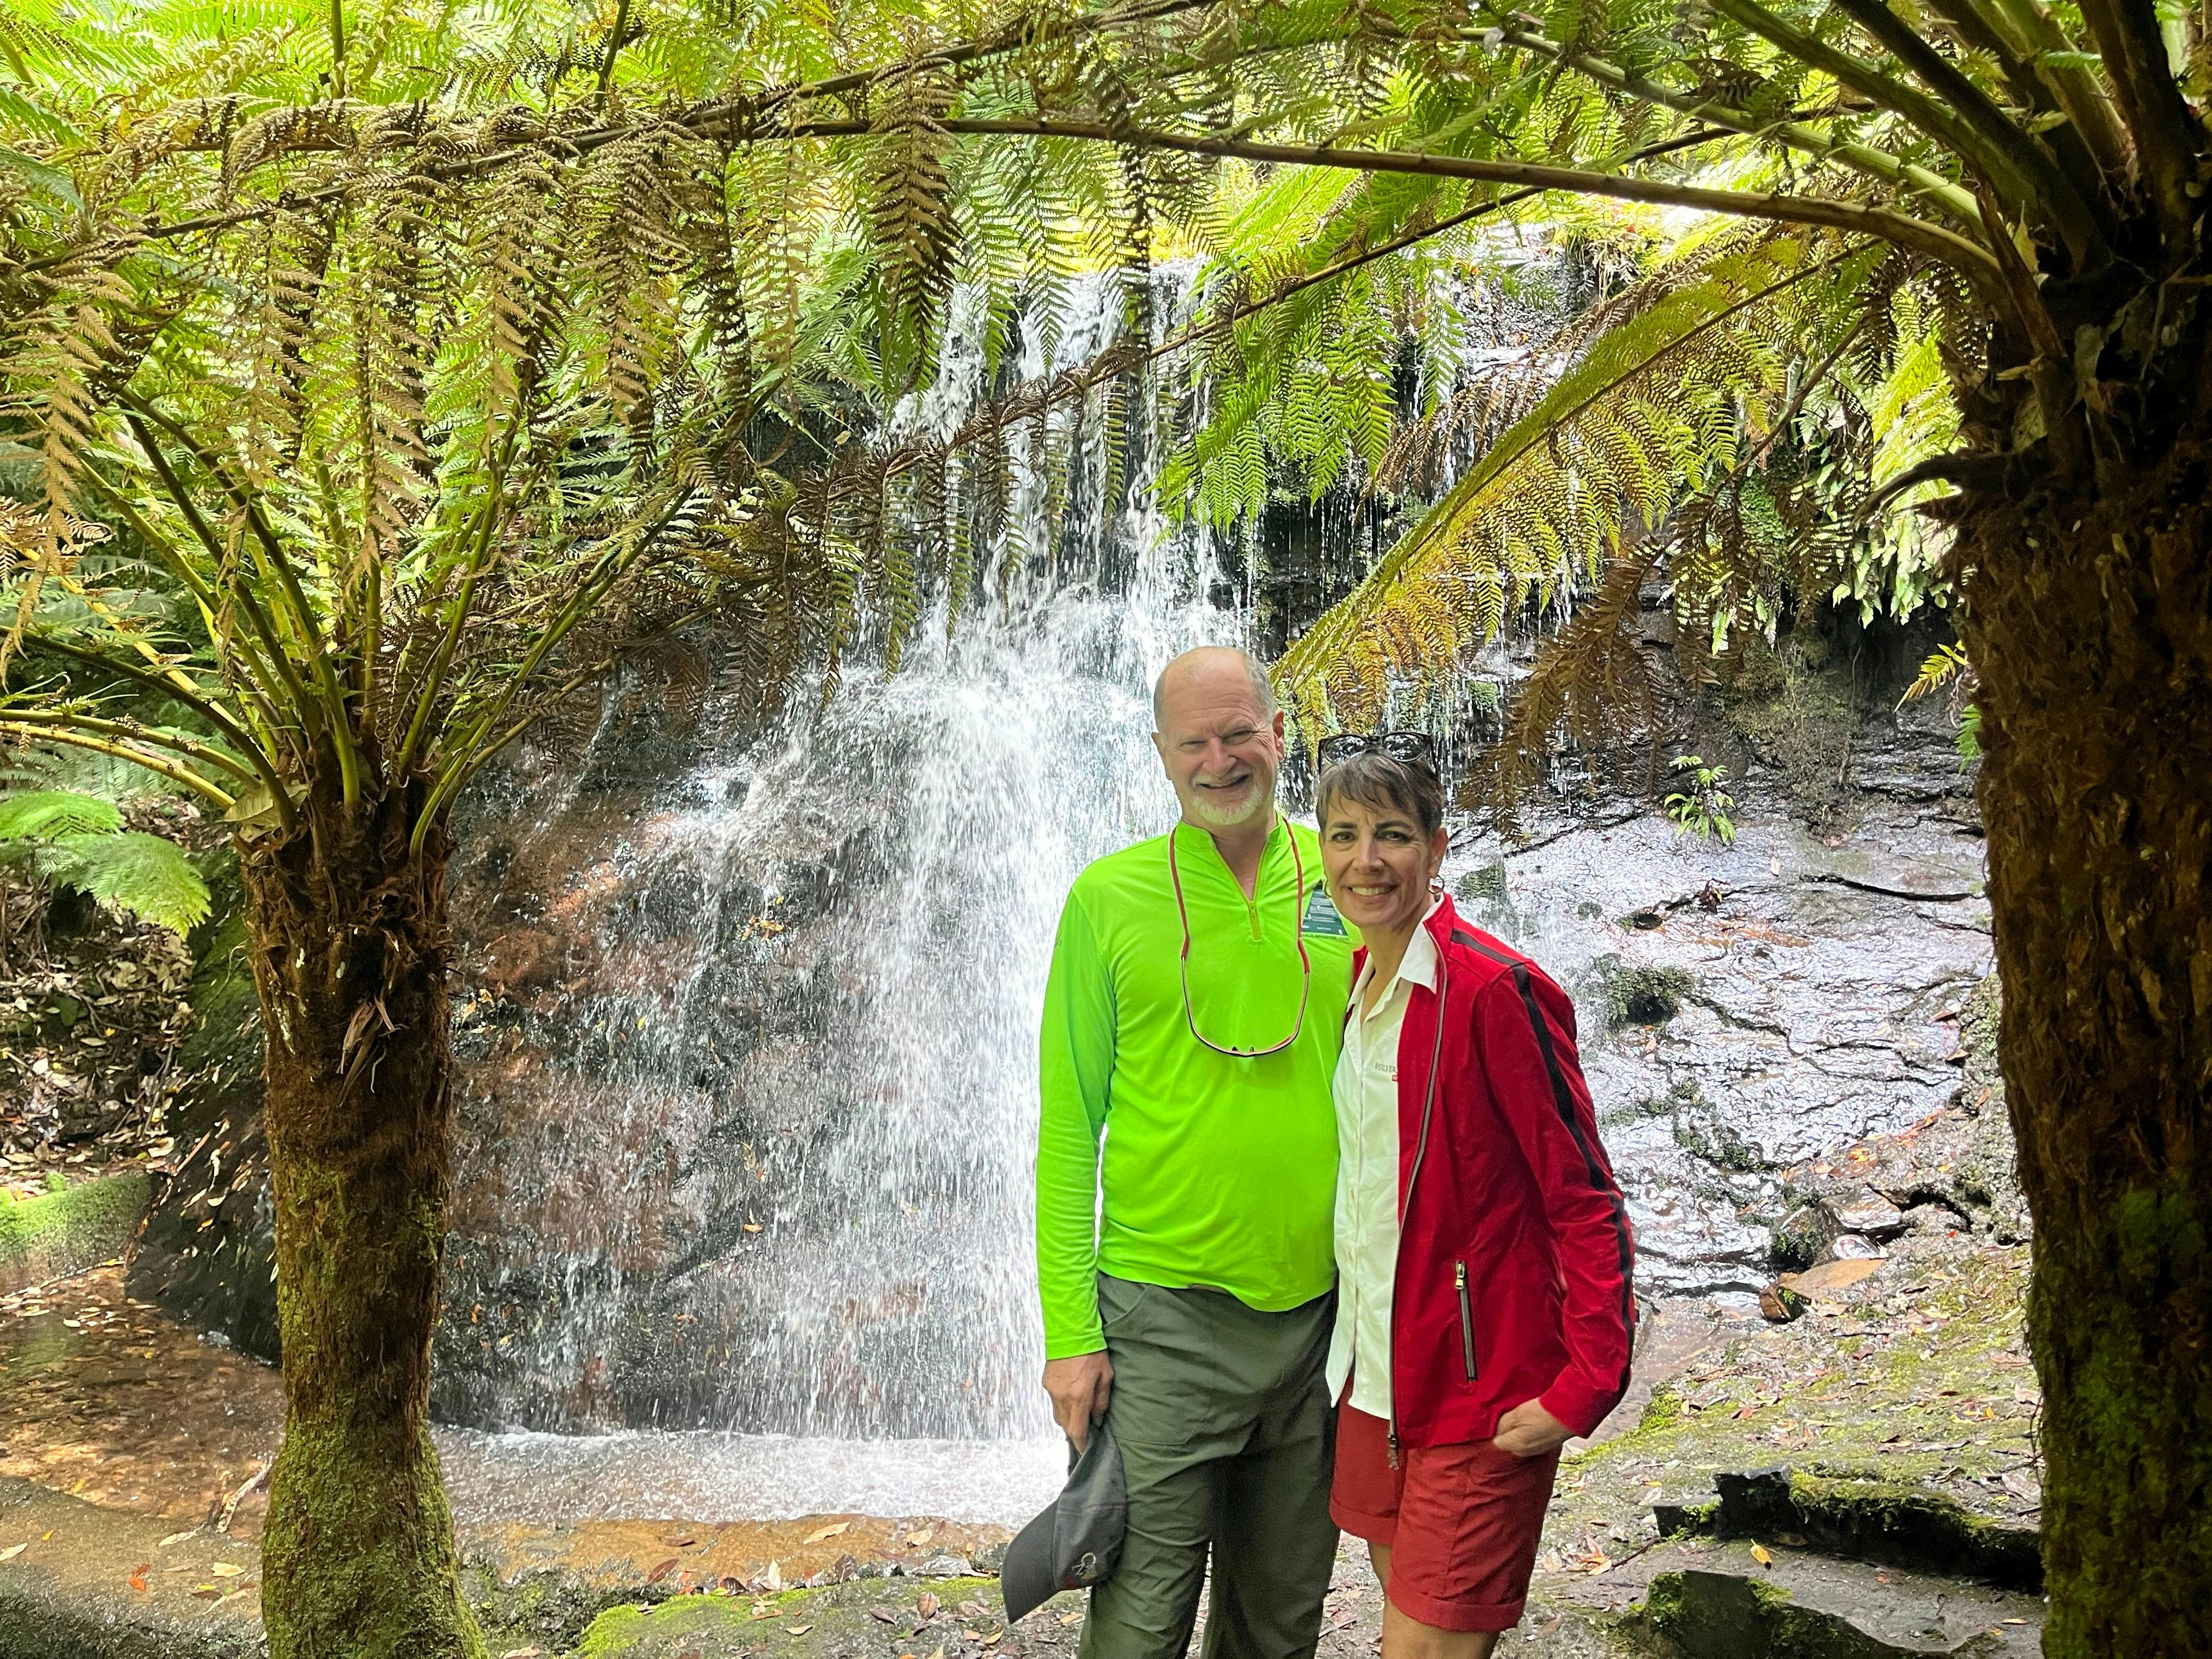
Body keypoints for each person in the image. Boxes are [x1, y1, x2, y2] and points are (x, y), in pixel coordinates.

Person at [1035, 645, 1358, 1659]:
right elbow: (1065, 1126)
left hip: (1326, 1317)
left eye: (1237, 735)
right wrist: (1069, 1332)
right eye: (1194, 743)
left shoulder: (1355, 873)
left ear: (1278, 732)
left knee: (1280, 1617)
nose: (1219, 761)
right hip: (1162, 1320)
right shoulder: (1106, 900)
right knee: (1139, 1619)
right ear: (1164, 757)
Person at [1314, 734, 1635, 1657]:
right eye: (1343, 835)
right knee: (1403, 1618)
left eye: (1391, 836)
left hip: (1480, 1391)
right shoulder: (1357, 982)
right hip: (1372, 1379)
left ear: (1437, 847)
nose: (1365, 862)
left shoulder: (1498, 991)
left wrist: (1586, 1385)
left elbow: (1586, 1199)